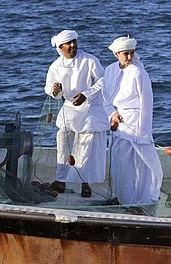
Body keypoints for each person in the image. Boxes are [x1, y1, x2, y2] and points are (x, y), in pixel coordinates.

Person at [45, 29, 108, 197]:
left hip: (91, 106)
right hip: (70, 107)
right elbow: (49, 88)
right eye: (69, 43)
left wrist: (86, 95)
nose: (73, 45)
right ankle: (60, 180)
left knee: (85, 144)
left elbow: (103, 81)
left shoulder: (90, 60)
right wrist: (55, 91)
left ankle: (84, 183)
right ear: (61, 47)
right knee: (63, 139)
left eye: (74, 42)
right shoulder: (56, 66)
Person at [102, 35, 162, 205]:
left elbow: (146, 102)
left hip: (136, 124)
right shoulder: (109, 70)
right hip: (119, 127)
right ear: (116, 54)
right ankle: (124, 200)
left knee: (141, 167)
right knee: (121, 166)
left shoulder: (138, 72)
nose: (129, 57)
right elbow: (105, 98)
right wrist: (112, 115)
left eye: (131, 53)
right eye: (125, 54)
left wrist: (143, 133)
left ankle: (141, 201)